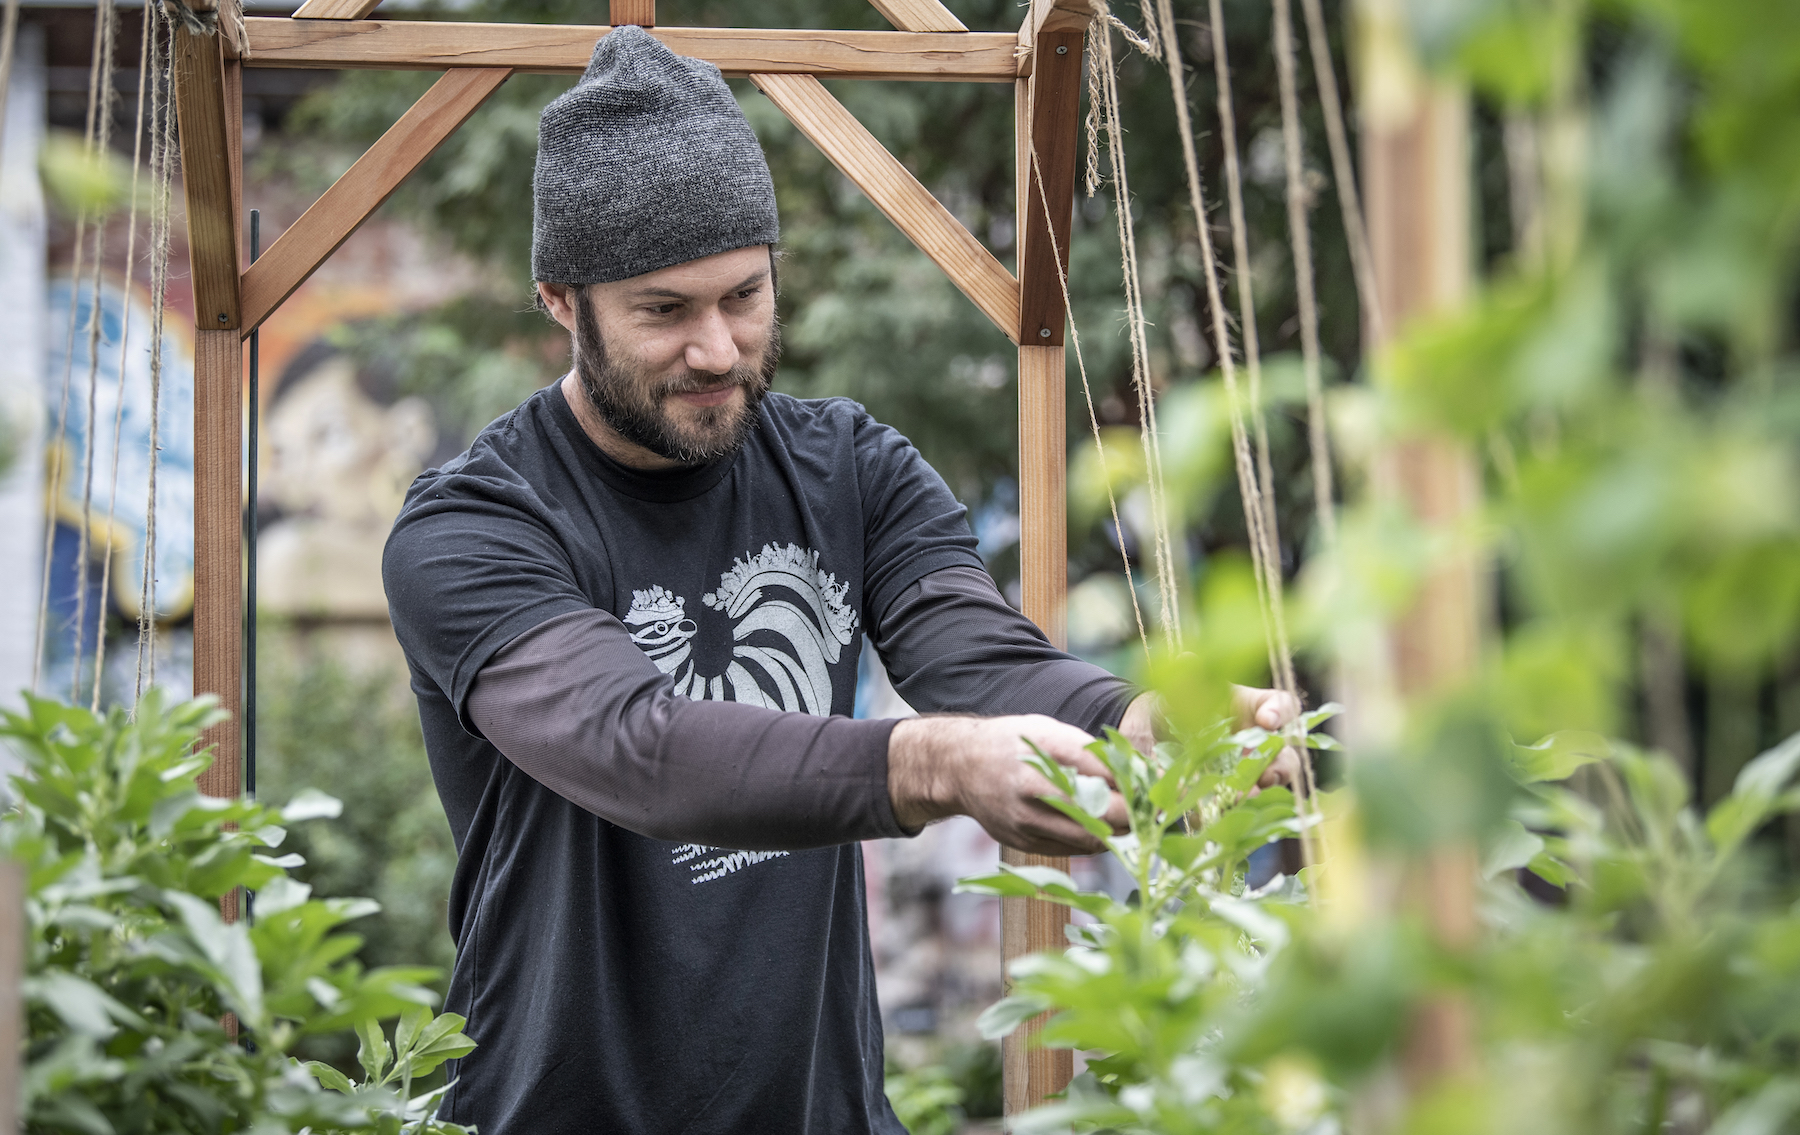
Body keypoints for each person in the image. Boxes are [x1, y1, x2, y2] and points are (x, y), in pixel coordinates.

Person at [383, 27, 1295, 1134]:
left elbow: (974, 650)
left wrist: (1140, 723)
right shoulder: (476, 523)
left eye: (744, 296)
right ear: (562, 301)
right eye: (663, 311)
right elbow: (633, 743)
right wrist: (930, 761)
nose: (717, 349)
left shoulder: (848, 466)